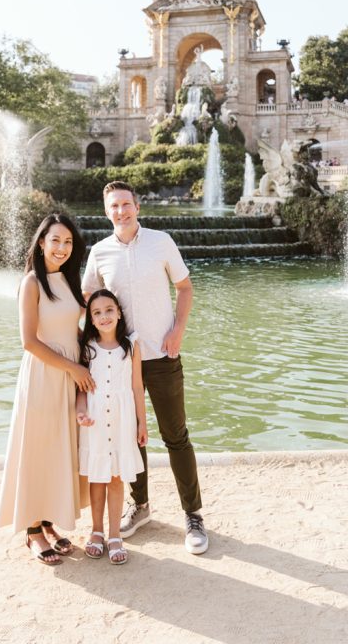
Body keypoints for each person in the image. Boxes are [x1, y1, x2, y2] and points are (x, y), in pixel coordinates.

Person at [82, 180, 208, 555]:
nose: (120, 211)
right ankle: (141, 507)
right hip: (120, 363)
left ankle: (193, 514)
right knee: (129, 438)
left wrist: (179, 330)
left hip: (162, 355)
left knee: (175, 436)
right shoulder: (100, 252)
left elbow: (185, 287)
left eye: (125, 204)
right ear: (107, 212)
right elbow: (90, 299)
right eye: (113, 206)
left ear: (137, 206)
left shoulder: (161, 241)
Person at [0, 213, 93, 565]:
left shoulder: (69, 280)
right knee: (37, 448)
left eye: (68, 242)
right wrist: (74, 368)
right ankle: (33, 531)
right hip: (43, 375)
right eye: (55, 241)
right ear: (41, 242)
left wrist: (99, 351)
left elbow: (72, 330)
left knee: (60, 449)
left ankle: (49, 521)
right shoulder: (32, 283)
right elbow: (29, 342)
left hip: (69, 377)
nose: (62, 248)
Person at [76, 289, 147, 565]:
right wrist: (81, 412)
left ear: (119, 312)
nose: (104, 316)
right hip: (94, 420)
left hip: (122, 419)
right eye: (97, 312)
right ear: (91, 320)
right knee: (97, 477)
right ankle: (96, 531)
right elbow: (81, 389)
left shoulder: (131, 346)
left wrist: (142, 422)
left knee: (116, 477)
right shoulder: (87, 348)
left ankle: (115, 534)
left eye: (109, 310)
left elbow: (137, 387)